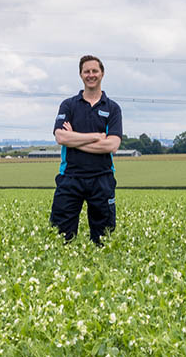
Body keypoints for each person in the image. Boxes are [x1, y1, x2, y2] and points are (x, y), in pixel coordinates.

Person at [50, 55, 123, 245]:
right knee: (60, 237)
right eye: (86, 71)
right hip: (70, 178)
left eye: (94, 71)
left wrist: (75, 138)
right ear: (81, 75)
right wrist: (95, 137)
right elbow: (61, 137)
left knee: (103, 240)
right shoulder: (69, 105)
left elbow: (112, 145)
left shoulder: (113, 108)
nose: (91, 75)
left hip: (102, 178)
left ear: (102, 74)